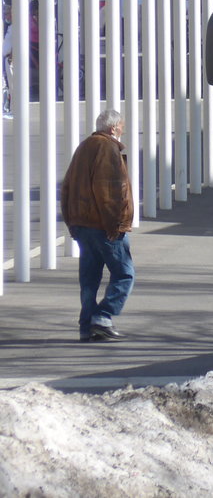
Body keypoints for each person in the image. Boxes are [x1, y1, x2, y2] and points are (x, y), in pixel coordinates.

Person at [61, 109, 135, 342]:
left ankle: (87, 325)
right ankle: (102, 318)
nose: (123, 129)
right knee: (124, 274)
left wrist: (71, 222)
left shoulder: (84, 147)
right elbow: (110, 191)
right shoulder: (108, 148)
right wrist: (116, 225)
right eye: (121, 125)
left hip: (83, 225)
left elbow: (67, 187)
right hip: (104, 225)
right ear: (113, 128)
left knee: (89, 278)